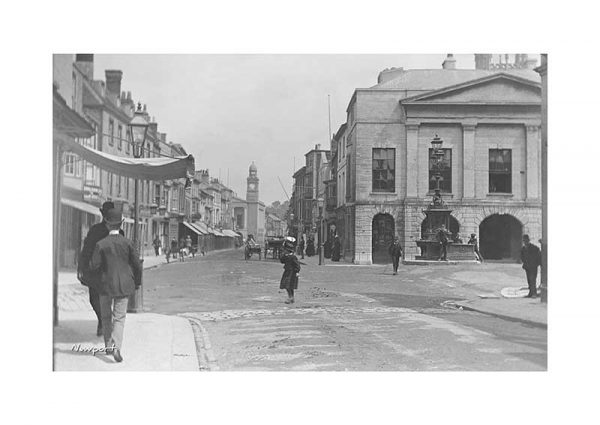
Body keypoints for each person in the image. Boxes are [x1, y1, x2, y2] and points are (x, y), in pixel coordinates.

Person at [89, 208, 142, 363]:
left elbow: (93, 265)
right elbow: (137, 265)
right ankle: (116, 347)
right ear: (121, 224)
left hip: (105, 285)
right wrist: (136, 282)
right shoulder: (127, 243)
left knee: (106, 316)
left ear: (107, 224)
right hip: (124, 285)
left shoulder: (101, 244)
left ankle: (107, 346)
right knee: (119, 318)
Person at [77, 201, 124, 337]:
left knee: (96, 298)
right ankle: (103, 322)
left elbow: (87, 249)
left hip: (98, 270)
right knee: (101, 299)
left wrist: (81, 267)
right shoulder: (115, 231)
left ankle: (103, 322)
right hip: (105, 270)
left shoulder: (98, 229)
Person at [279, 236, 301, 304]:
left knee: (289, 286)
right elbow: (282, 261)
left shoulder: (293, 257)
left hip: (292, 272)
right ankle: (291, 297)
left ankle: (291, 297)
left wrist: (297, 271)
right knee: (287, 286)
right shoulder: (287, 256)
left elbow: (297, 265)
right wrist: (283, 255)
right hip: (287, 271)